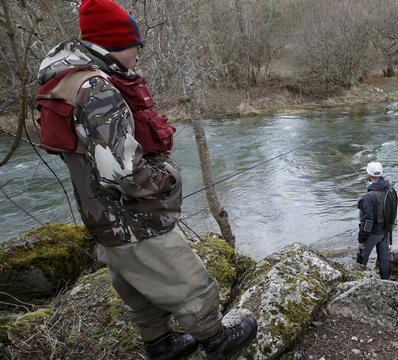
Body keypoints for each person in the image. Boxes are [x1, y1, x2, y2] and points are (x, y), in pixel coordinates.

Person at [35, 1, 257, 359]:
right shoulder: (98, 90)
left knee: (133, 280)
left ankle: (160, 345)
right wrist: (163, 185)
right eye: (136, 45)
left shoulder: (65, 82)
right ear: (115, 44)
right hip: (132, 217)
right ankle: (216, 341)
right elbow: (122, 171)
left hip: (101, 217)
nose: (139, 53)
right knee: (189, 281)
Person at [356, 161, 397, 279]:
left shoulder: (369, 197)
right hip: (386, 231)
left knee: (362, 257)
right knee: (384, 258)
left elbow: (368, 221)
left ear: (368, 175)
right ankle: (386, 281)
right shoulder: (390, 190)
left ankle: (357, 279)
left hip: (373, 233)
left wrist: (361, 239)